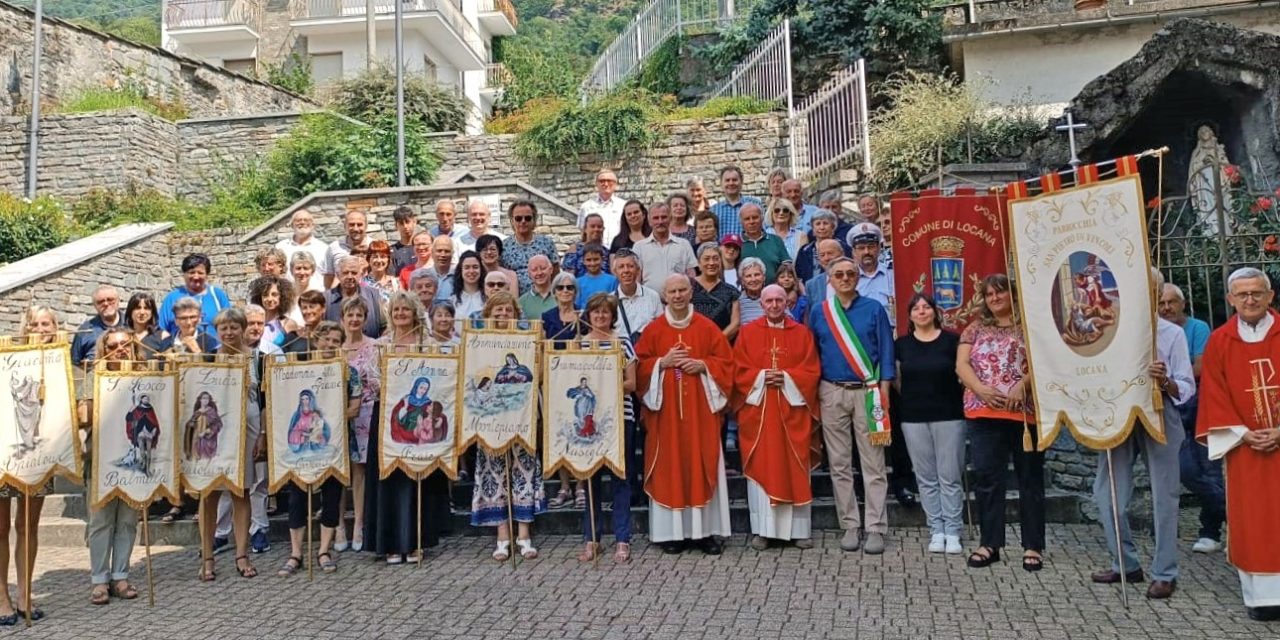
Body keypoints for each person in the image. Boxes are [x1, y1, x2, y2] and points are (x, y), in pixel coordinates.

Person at [1089, 269, 1193, 600]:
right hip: (1117, 414)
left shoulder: (1171, 334)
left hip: (1160, 413)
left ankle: (1165, 573)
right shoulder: (1105, 329)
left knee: (1164, 496)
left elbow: (1186, 388)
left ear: (1158, 292)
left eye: (1150, 289)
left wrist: (1164, 380)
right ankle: (1126, 564)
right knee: (1107, 495)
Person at [1195, 267, 1280, 621]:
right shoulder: (1219, 340)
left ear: (1270, 295)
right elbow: (1213, 392)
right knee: (1255, 519)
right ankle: (1263, 599)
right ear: (1230, 299)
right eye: (1242, 294)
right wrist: (1243, 433)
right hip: (1245, 449)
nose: (1250, 299)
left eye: (1256, 293)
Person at [636, 274, 735, 555]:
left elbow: (727, 364)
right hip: (666, 417)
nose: (678, 295)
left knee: (702, 464)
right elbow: (639, 367)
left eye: (682, 290)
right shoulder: (653, 330)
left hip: (701, 415)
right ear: (664, 296)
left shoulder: (707, 328)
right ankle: (673, 534)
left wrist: (703, 365)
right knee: (671, 468)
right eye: (672, 291)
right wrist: (661, 363)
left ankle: (705, 533)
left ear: (691, 292)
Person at [957, 274, 1044, 572]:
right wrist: (980, 389)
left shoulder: (1031, 327)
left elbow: (1045, 359)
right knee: (988, 480)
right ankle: (990, 543)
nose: (994, 298)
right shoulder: (975, 328)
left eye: (1000, 293)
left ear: (1013, 295)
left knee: (1029, 479)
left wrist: (1026, 384)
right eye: (989, 294)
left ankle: (1033, 545)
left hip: (1023, 414)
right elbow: (962, 364)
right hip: (985, 413)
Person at [807, 257, 894, 555]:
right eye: (839, 274)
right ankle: (849, 525)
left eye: (850, 273)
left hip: (868, 393)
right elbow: (812, 352)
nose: (845, 278)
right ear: (829, 279)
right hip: (832, 391)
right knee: (840, 463)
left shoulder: (874, 308)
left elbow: (885, 349)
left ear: (858, 277)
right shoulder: (820, 311)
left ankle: (875, 527)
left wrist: (884, 391)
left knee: (873, 463)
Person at [733, 285, 821, 550]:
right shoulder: (747, 333)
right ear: (761, 304)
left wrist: (786, 377)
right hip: (759, 413)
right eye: (769, 300)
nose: (774, 305)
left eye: (779, 300)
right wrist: (760, 377)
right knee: (764, 464)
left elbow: (812, 370)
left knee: (795, 466)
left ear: (787, 303)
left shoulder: (802, 334)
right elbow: (737, 369)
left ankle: (799, 530)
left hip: (792, 412)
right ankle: (764, 530)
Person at [370, 293, 449, 564]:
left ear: (415, 312)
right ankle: (392, 543)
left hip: (421, 423)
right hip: (389, 418)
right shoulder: (381, 345)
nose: (401, 313)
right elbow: (373, 384)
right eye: (396, 309)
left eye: (405, 309)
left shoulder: (429, 344)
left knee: (417, 479)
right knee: (391, 481)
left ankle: (415, 542)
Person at [275, 321, 356, 577]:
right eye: (327, 339)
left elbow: (354, 407)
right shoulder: (297, 369)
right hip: (301, 449)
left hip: (333, 442)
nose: (331, 345)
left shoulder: (348, 371)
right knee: (298, 497)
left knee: (332, 496)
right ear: (316, 339)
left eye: (336, 341)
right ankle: (296, 552)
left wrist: (327, 419)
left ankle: (323, 550)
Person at [472, 293, 547, 561]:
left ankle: (523, 533)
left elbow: (535, 374)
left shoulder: (528, 340)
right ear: (488, 315)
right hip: (491, 418)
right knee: (493, 473)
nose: (503, 314)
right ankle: (502, 534)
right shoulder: (478, 343)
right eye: (497, 310)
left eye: (508, 310)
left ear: (516, 314)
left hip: (522, 417)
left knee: (524, 470)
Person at [0, 307, 61, 623]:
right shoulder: (9, 356)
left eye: (46, 323)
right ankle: (1, 597)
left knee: (28, 527)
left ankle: (24, 594)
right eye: (35, 323)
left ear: (55, 326)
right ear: (26, 327)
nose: (41, 328)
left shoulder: (60, 361)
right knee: (0, 529)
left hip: (39, 455)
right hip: (4, 452)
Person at [894, 294, 966, 554]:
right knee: (925, 477)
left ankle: (953, 530)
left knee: (950, 475)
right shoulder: (901, 345)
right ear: (910, 315)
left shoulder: (952, 341)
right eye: (916, 308)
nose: (922, 311)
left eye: (926, 307)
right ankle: (936, 529)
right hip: (913, 416)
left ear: (935, 313)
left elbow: (962, 374)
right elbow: (897, 379)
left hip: (949, 414)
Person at [1157, 282, 1222, 553]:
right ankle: (1233, 514)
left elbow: (1198, 366)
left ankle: (1211, 531)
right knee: (1185, 470)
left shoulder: (1197, 328)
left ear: (1183, 303)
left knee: (1209, 467)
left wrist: (1169, 377)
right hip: (1170, 405)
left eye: (1172, 302)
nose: (1167, 307)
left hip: (1198, 405)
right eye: (1162, 303)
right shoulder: (1154, 332)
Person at [80, 328, 141, 606]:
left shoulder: (146, 375)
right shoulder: (94, 376)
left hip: (134, 453)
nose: (120, 349)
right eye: (113, 345)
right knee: (101, 519)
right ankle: (99, 580)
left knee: (127, 518)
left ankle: (121, 576)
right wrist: (84, 406)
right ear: (105, 349)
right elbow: (84, 419)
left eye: (125, 344)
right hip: (101, 457)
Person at [196, 308, 259, 582]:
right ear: (217, 331)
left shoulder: (257, 359)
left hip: (246, 430)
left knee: (241, 492)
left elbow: (265, 399)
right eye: (224, 328)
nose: (229, 332)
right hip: (213, 435)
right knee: (209, 494)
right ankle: (208, 557)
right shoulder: (208, 358)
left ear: (243, 328)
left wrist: (265, 435)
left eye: (234, 327)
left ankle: (242, 554)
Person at [577, 293, 638, 563]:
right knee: (590, 479)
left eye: (605, 312)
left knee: (620, 481)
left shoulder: (622, 343)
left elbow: (631, 384)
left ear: (612, 316)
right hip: (588, 420)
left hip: (619, 418)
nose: (600, 316)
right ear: (588, 316)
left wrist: (603, 387)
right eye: (595, 312)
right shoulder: (578, 346)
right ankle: (592, 538)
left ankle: (622, 539)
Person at [340, 298, 381, 554]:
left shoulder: (374, 347)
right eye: (350, 315)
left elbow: (378, 381)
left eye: (359, 315)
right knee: (337, 471)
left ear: (365, 319)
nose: (354, 319)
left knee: (360, 471)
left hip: (365, 412)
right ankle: (337, 527)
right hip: (337, 416)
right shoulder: (334, 346)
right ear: (342, 317)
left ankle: (359, 524)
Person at [158, 253, 231, 341]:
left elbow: (230, 325)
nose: (196, 277)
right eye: (191, 272)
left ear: (207, 274)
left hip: (214, 352)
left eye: (200, 273)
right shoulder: (172, 298)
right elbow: (161, 329)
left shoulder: (218, 296)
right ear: (184, 274)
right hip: (180, 352)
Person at [633, 202, 697, 292]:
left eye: (664, 217)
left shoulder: (684, 245)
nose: (660, 221)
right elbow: (636, 278)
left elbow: (691, 275)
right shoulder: (639, 247)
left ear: (670, 219)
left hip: (678, 300)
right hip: (650, 302)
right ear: (649, 222)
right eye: (656, 218)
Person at [502, 200, 559, 294]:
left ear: (534, 220)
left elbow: (556, 272)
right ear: (512, 221)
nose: (523, 221)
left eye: (527, 218)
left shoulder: (546, 243)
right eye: (518, 218)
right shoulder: (504, 246)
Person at [324, 256, 387, 339]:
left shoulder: (374, 295)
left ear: (360, 275)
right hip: (337, 350)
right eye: (345, 273)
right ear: (338, 275)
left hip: (369, 349)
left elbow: (385, 327)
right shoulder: (325, 298)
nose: (350, 277)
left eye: (354, 273)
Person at [691, 242, 741, 341]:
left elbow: (735, 324)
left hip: (721, 346)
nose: (711, 263)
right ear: (699, 263)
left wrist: (715, 342)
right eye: (706, 259)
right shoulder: (688, 286)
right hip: (692, 344)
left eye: (715, 258)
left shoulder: (731, 292)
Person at [611, 249, 663, 341]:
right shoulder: (610, 301)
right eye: (621, 267)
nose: (626, 270)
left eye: (630, 266)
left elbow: (661, 327)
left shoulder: (653, 296)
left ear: (638, 270)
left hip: (647, 351)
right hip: (620, 351)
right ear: (615, 272)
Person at [274, 209, 329, 292]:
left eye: (306, 220)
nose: (302, 223)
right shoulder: (280, 247)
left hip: (316, 298)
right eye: (298, 220)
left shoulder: (324, 248)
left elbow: (330, 275)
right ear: (292, 225)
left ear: (313, 225)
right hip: (289, 298)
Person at [72, 285, 123, 369]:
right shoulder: (85, 331)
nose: (106, 303)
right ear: (95, 306)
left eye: (110, 299)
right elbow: (74, 365)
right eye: (100, 302)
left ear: (118, 301)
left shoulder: (131, 324)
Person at [322, 210, 372, 290]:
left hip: (369, 296)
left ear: (366, 226)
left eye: (359, 225)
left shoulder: (373, 246)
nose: (355, 228)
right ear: (345, 226)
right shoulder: (334, 247)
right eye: (351, 225)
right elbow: (329, 276)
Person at [739, 204, 788, 283]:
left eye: (755, 217)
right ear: (741, 222)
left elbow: (787, 268)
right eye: (747, 219)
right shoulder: (737, 244)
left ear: (762, 219)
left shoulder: (776, 240)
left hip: (774, 292)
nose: (751, 222)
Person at [796, 209, 847, 284]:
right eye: (818, 224)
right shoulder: (805, 250)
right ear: (813, 229)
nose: (822, 227)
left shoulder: (843, 247)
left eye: (825, 223)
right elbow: (799, 277)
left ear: (833, 227)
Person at [710, 165, 762, 238]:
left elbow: (763, 230)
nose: (731, 183)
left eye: (734, 180)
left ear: (741, 182)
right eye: (727, 180)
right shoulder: (713, 211)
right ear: (721, 184)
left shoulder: (755, 204)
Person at [249, 275, 298, 352]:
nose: (269, 299)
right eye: (265, 295)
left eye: (274, 294)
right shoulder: (253, 323)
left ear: (281, 296)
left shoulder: (288, 324)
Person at [578, 169, 626, 246]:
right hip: (595, 253)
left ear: (615, 184)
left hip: (618, 251)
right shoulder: (586, 207)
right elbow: (583, 232)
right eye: (602, 181)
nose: (606, 184)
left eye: (609, 181)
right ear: (596, 184)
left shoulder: (624, 206)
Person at [563, 213, 611, 278]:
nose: (596, 229)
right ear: (585, 229)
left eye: (599, 227)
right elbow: (568, 277)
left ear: (603, 229)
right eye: (592, 226)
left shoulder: (607, 252)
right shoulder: (575, 249)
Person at [124, 292, 168, 359]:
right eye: (138, 308)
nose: (142, 312)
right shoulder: (121, 335)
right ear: (130, 311)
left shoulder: (163, 337)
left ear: (152, 312)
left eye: (146, 308)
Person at [803, 239, 847, 304]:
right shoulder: (811, 285)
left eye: (830, 253)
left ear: (842, 254)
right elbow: (811, 312)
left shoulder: (854, 278)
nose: (826, 258)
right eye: (822, 255)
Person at [450, 251, 487, 320]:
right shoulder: (452, 301)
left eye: (475, 267)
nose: (471, 271)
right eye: (467, 267)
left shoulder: (488, 299)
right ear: (460, 271)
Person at [518, 255, 556, 320]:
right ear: (529, 274)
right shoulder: (522, 302)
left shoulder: (562, 296)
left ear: (551, 270)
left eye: (543, 268)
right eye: (534, 270)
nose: (539, 273)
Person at [389, 205, 420, 276]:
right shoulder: (392, 251)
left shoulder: (422, 247)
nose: (405, 226)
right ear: (396, 226)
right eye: (401, 223)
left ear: (414, 222)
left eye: (407, 222)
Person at [737, 258, 767, 325]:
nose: (753, 279)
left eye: (757, 274)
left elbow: (788, 319)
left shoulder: (774, 297)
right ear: (742, 281)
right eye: (748, 276)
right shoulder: (737, 301)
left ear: (764, 277)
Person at [429, 235, 455, 299]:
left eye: (447, 251)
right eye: (439, 251)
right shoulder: (424, 276)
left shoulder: (459, 275)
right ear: (432, 252)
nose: (443, 255)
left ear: (452, 253)